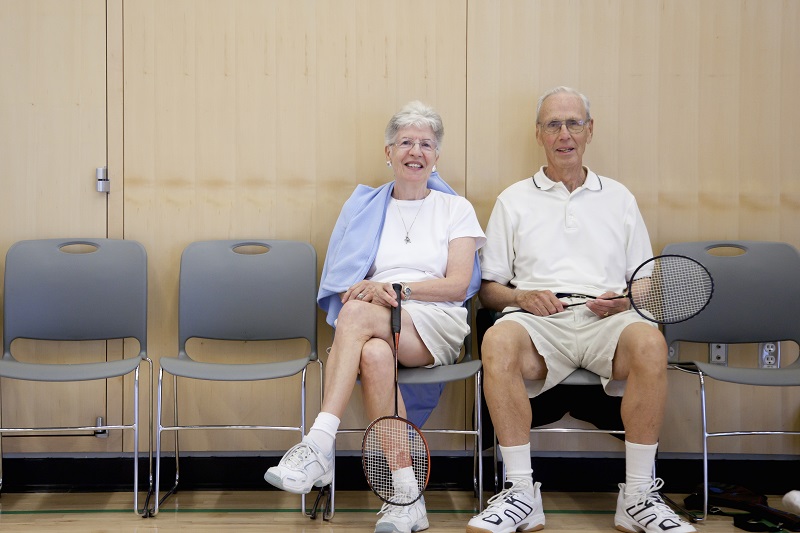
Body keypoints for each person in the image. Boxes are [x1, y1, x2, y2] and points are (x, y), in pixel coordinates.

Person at [466, 87, 696, 533]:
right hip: (539, 322)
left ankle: (638, 495)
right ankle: (519, 492)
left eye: (574, 123)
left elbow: (645, 282)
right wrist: (521, 297)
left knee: (651, 341)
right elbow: (489, 290)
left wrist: (627, 301)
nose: (564, 133)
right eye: (554, 124)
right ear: (538, 134)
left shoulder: (620, 198)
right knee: (496, 338)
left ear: (590, 130)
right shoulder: (513, 200)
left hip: (607, 322)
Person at [265, 100, 486, 533]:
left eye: (425, 143)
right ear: (388, 152)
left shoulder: (455, 209)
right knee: (374, 356)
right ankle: (406, 496)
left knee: (356, 315)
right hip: (378, 317)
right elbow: (346, 277)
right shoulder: (366, 207)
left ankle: (318, 443)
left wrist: (398, 291)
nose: (415, 151)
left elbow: (458, 285)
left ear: (436, 156)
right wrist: (367, 292)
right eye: (405, 142)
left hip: (434, 318)